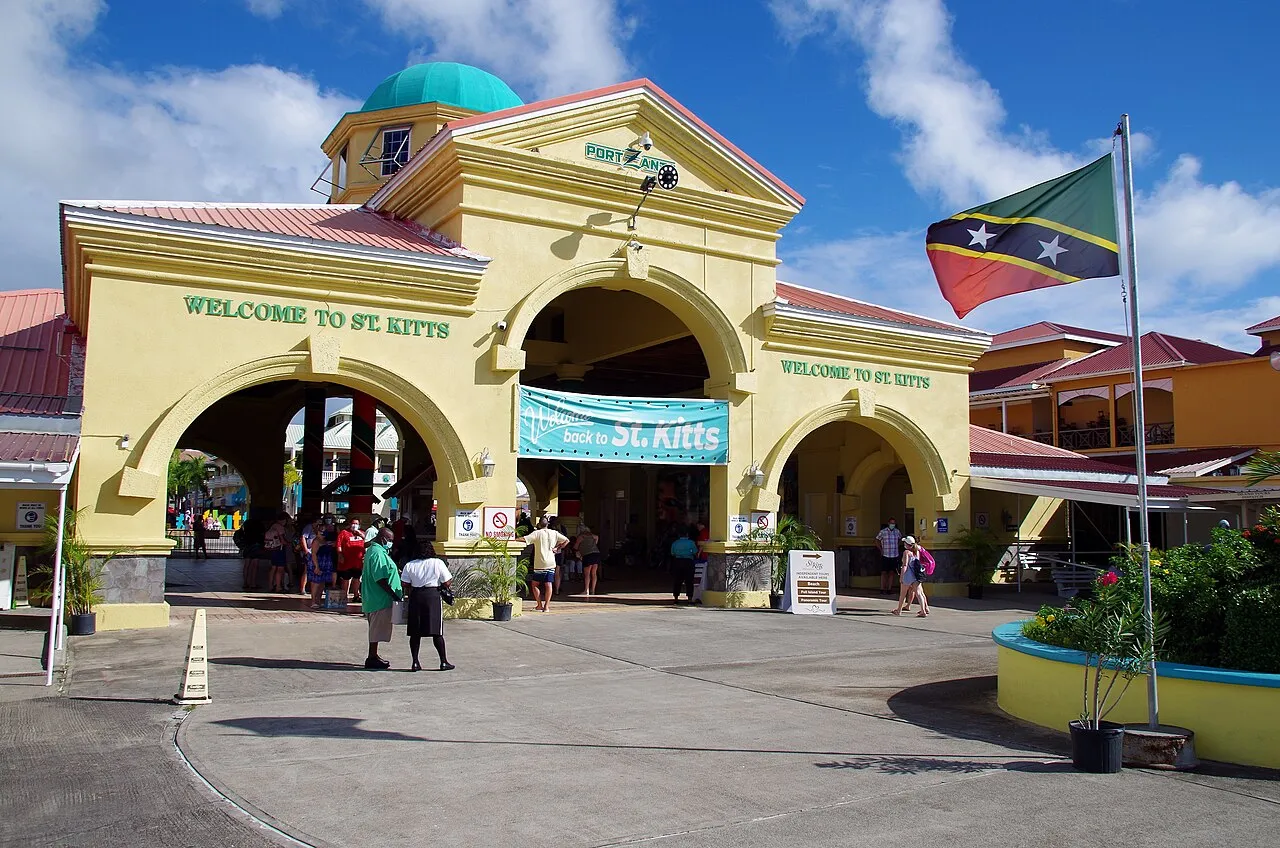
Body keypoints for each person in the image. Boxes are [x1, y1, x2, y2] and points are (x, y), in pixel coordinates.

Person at [400, 546, 455, 672]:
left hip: (416, 596)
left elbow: (405, 583)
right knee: (436, 631)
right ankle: (443, 661)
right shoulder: (438, 563)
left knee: (415, 632)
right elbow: (447, 582)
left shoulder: (410, 565)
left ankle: (415, 662)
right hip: (432, 596)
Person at [360, 526, 402, 669]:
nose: (390, 543)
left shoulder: (375, 551)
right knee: (376, 630)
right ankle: (371, 657)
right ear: (383, 539)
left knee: (376, 630)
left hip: (374, 598)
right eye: (389, 540)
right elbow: (380, 578)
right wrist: (394, 595)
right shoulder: (377, 553)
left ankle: (374, 655)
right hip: (379, 599)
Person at [521, 517, 568, 612]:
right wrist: (558, 548)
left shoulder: (537, 533)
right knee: (548, 584)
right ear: (548, 524)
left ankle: (539, 605)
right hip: (551, 562)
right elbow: (566, 540)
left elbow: (524, 539)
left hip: (540, 563)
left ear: (539, 524)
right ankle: (546, 607)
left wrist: (511, 539)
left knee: (534, 584)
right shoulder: (554, 533)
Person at [892, 535, 930, 618]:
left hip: (908, 576)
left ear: (906, 544)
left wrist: (901, 576)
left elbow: (905, 565)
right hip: (916, 576)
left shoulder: (906, 552)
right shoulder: (916, 552)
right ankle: (923, 611)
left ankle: (899, 610)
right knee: (919, 593)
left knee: (902, 594)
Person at [336, 517, 366, 604]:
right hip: (347, 561)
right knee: (346, 579)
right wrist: (340, 554)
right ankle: (344, 595)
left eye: (356, 524)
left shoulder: (362, 533)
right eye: (353, 523)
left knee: (357, 579)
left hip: (358, 561)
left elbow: (367, 542)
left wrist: (360, 534)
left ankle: (356, 595)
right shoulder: (344, 533)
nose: (354, 525)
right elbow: (339, 544)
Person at [669, 527, 697, 604]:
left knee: (677, 581)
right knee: (689, 581)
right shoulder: (691, 543)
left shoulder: (675, 543)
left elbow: (672, 553)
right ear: (687, 534)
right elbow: (695, 552)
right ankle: (689, 599)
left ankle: (676, 598)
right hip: (688, 562)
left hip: (677, 562)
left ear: (679, 535)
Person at [876, 518, 902, 596]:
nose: (892, 525)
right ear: (888, 523)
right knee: (884, 572)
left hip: (894, 555)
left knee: (891, 572)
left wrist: (897, 546)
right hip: (885, 554)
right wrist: (880, 549)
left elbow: (900, 539)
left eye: (893, 523)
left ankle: (889, 589)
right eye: (891, 523)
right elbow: (877, 540)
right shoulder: (883, 532)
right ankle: (882, 588)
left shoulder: (897, 532)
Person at [265, 514, 289, 593]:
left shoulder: (273, 526)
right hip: (279, 549)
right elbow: (282, 540)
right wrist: (289, 543)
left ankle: (270, 585)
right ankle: (278, 587)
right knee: (280, 569)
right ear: (283, 520)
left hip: (272, 549)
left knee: (273, 568)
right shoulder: (280, 527)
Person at [577, 523, 601, 596]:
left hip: (588, 555)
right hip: (596, 553)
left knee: (587, 574)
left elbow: (576, 546)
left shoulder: (581, 536)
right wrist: (594, 544)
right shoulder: (592, 536)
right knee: (594, 573)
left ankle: (586, 590)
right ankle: (593, 590)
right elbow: (597, 537)